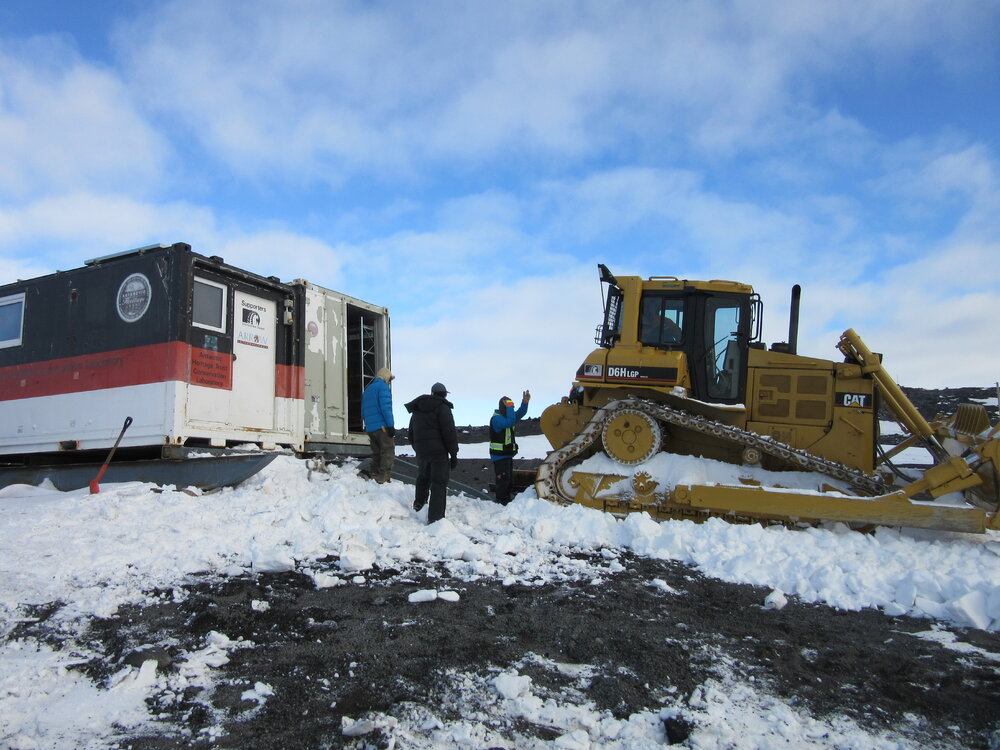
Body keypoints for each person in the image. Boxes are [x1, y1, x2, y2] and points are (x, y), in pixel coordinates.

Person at [404, 382, 458, 524]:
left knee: (423, 478)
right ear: (444, 394)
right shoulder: (443, 408)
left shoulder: (417, 409)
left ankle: (419, 506)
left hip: (422, 451)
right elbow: (449, 433)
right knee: (438, 482)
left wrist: (418, 448)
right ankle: (435, 517)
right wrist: (453, 454)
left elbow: (411, 433)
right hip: (439, 453)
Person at [489, 390, 530, 505]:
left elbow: (520, 414)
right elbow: (510, 422)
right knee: (503, 479)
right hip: (499, 456)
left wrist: (525, 402)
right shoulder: (497, 419)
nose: (511, 407)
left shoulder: (507, 417)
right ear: (504, 407)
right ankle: (501, 501)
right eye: (509, 405)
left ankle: (506, 500)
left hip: (506, 454)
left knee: (508, 479)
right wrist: (510, 408)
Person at [360, 367, 395, 483]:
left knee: (376, 452)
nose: (389, 382)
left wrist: (368, 424)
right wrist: (390, 425)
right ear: (385, 377)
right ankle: (384, 477)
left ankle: (374, 473)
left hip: (370, 427)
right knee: (387, 450)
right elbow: (386, 408)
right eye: (389, 379)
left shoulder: (368, 389)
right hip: (382, 427)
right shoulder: (383, 388)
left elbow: (363, 411)